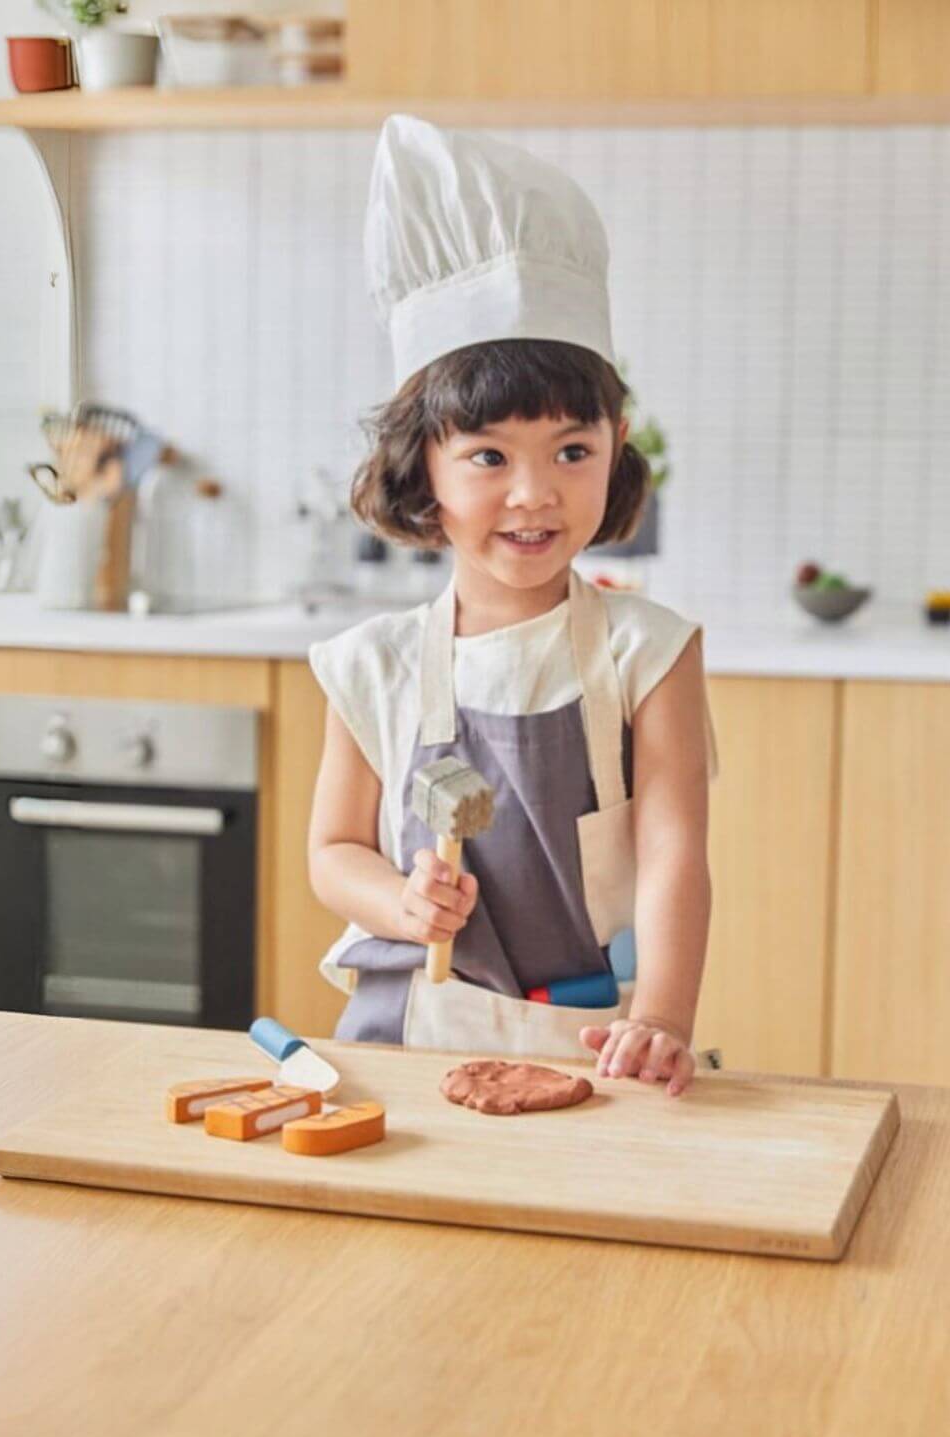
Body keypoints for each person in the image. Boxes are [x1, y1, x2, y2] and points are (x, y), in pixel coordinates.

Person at [306, 116, 713, 1094]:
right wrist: (402, 903)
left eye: (572, 451)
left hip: (595, 1042)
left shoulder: (646, 652)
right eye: (489, 456)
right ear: (423, 468)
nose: (536, 493)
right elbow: (333, 851)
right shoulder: (375, 663)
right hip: (400, 1041)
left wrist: (662, 1014)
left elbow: (674, 852)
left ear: (616, 444)